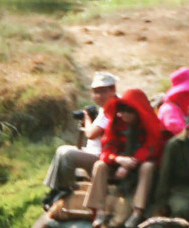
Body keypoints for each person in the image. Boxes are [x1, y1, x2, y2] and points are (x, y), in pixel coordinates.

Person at [45, 88, 165, 220]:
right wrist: (118, 159)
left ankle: (138, 210)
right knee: (100, 165)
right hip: (117, 165)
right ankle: (99, 211)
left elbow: (151, 148)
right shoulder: (115, 123)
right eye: (120, 110)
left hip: (138, 166)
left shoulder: (149, 125)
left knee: (148, 167)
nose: (120, 114)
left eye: (125, 111)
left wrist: (128, 164)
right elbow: (107, 148)